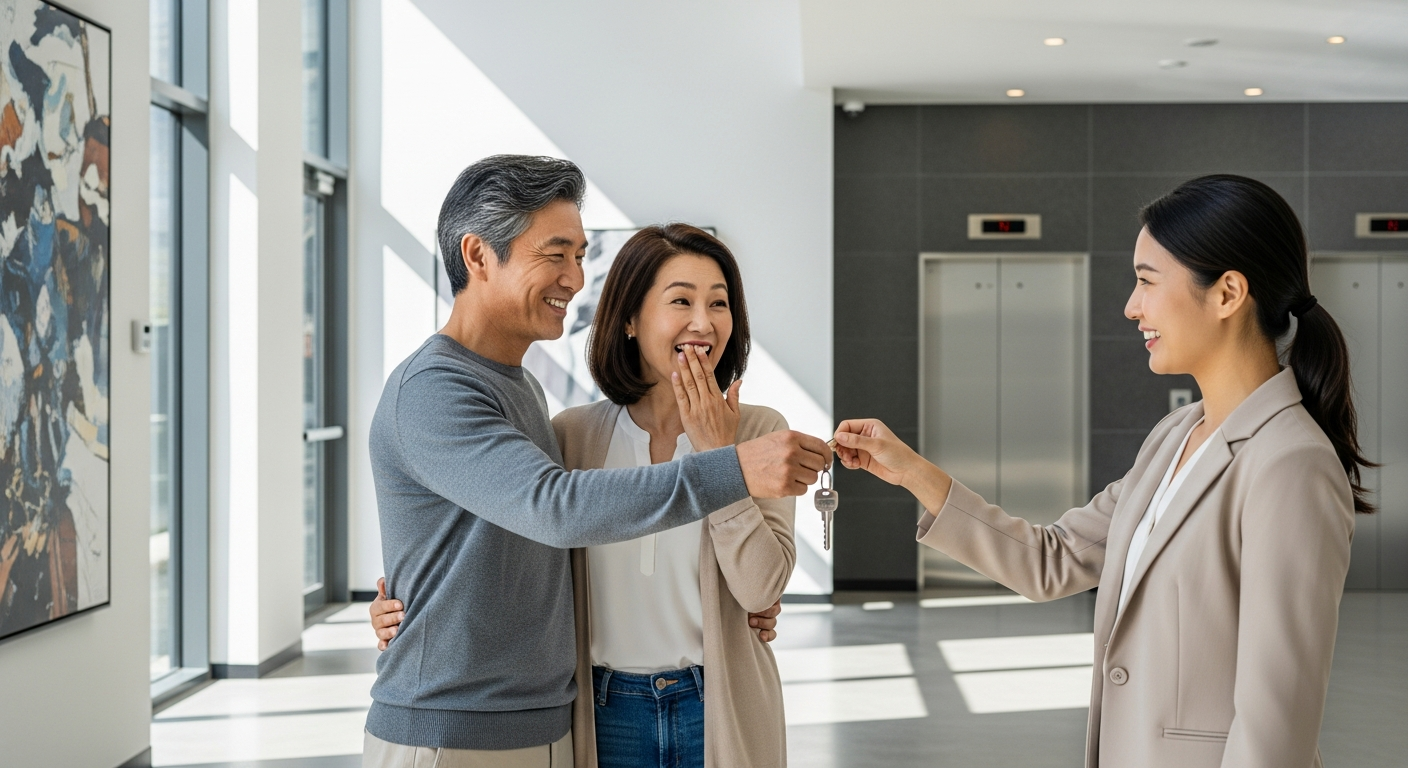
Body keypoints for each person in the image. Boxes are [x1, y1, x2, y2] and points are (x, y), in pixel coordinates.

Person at [831, 175, 1364, 768]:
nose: (1131, 306)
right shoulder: (1175, 435)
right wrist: (910, 472)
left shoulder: (1291, 463)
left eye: (1146, 280)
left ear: (1228, 293)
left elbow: (1276, 724)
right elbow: (1051, 560)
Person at [364, 155, 829, 768]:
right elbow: (554, 509)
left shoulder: (519, 387)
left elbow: (497, 542)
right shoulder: (441, 391)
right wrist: (732, 469)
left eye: (580, 256)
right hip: (463, 724)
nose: (575, 278)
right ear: (478, 256)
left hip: (549, 720)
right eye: (555, 254)